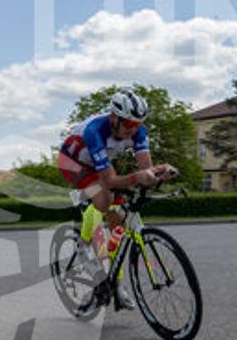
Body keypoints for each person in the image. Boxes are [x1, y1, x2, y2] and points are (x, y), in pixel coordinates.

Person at [57, 88, 177, 310]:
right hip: (73, 164)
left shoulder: (138, 131)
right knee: (104, 200)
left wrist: (158, 173)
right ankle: (84, 249)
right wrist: (138, 177)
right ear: (114, 117)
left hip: (98, 164)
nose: (134, 130)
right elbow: (111, 180)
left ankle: (116, 284)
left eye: (138, 125)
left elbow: (146, 170)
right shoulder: (95, 131)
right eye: (129, 124)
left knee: (118, 221)